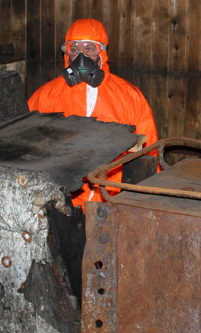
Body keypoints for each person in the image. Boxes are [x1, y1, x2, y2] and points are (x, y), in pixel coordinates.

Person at [28, 18, 158, 206]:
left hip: (112, 197)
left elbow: (149, 153)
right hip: (61, 198)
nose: (81, 57)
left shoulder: (129, 97)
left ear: (102, 53)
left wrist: (143, 202)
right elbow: (27, 150)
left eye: (89, 49)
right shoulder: (45, 96)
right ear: (67, 55)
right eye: (74, 49)